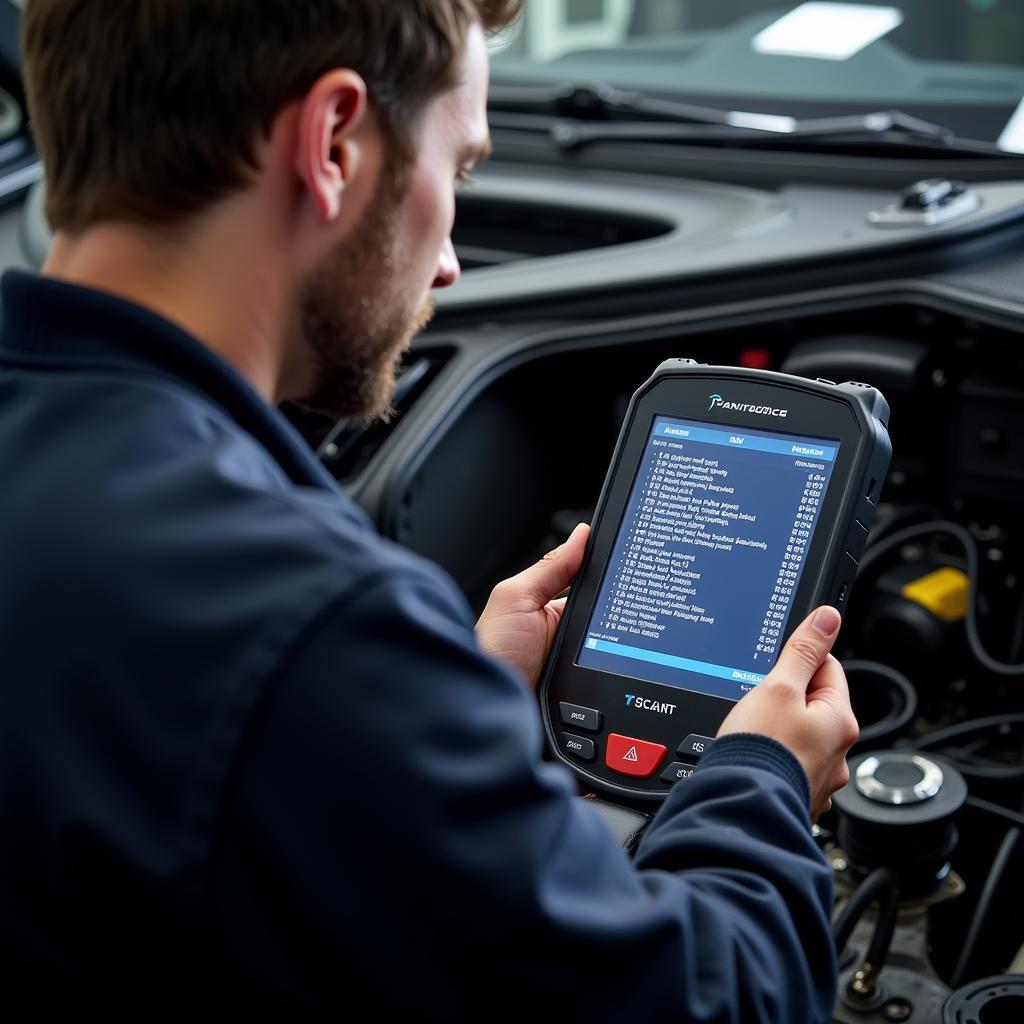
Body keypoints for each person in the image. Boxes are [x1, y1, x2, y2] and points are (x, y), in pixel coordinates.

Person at [0, 2, 859, 1020]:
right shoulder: (296, 626)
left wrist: (443, 708)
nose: (449, 264)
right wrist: (759, 779)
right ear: (332, 143)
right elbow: (710, 1001)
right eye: (456, 171)